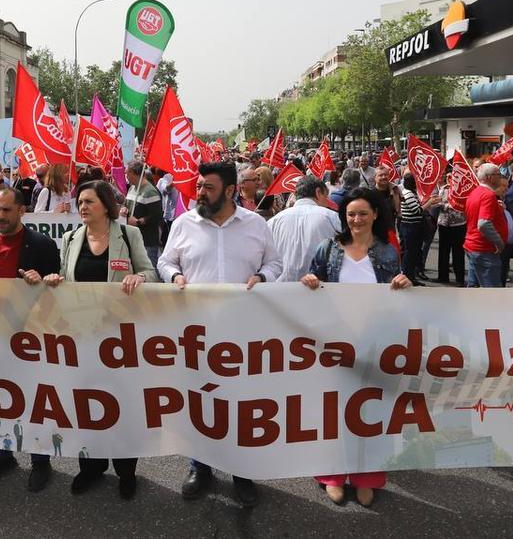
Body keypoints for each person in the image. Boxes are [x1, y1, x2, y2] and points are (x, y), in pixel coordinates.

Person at [157, 161, 281, 508]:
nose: (199, 193)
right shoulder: (184, 223)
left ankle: (243, 472)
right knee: (201, 402)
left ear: (230, 191)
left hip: (243, 333)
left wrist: (264, 278)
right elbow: (166, 262)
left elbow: (275, 263)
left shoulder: (256, 225)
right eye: (199, 186)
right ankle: (201, 467)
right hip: (196, 333)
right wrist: (174, 277)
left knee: (241, 404)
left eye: (208, 188)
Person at [43, 180, 158, 499]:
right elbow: (64, 278)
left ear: (106, 206)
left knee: (121, 404)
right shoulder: (69, 238)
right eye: (80, 201)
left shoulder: (128, 235)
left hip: (119, 339)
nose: (81, 206)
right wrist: (55, 279)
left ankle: (126, 471)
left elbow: (151, 273)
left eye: (88, 201)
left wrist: (139, 277)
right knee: (87, 405)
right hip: (82, 338)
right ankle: (91, 467)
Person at [301, 186, 410, 506]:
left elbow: (397, 295)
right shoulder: (327, 248)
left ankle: (367, 476)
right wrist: (309, 281)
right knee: (333, 410)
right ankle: (332, 475)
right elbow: (312, 283)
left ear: (376, 214)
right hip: (335, 343)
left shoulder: (389, 252)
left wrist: (405, 283)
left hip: (375, 343)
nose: (357, 220)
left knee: (371, 411)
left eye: (363, 213)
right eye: (351, 214)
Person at [0, 187, 61, 492]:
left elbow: (58, 290)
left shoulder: (41, 244)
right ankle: (2, 454)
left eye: (6, 210)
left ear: (21, 210)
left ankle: (40, 461)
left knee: (35, 401)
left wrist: (42, 282)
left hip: (30, 338)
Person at [267, 175, 340, 282]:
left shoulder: (274, 221)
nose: (327, 201)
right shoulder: (331, 217)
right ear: (318, 192)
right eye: (326, 196)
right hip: (320, 290)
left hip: (281, 290)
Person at [463, 164, 509, 288]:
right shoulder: (488, 195)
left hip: (475, 247)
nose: (501, 177)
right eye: (498, 175)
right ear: (490, 177)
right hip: (484, 250)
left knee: (474, 287)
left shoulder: (475, 192)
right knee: (491, 291)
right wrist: (499, 243)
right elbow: (483, 223)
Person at [397, 173, 435, 284]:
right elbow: (417, 210)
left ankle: (411, 277)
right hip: (410, 227)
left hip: (413, 226)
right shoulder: (408, 194)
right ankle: (407, 277)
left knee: (414, 253)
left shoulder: (411, 193)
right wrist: (429, 203)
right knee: (409, 253)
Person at [123, 162, 164, 263]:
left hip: (147, 241)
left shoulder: (150, 192)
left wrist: (138, 222)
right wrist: (124, 209)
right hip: (133, 238)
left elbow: (157, 216)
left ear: (133, 173)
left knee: (150, 270)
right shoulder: (132, 188)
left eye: (127, 173)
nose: (126, 176)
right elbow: (126, 203)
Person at [435, 176, 467, 286]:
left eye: (452, 177)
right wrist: (444, 205)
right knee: (443, 251)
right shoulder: (444, 189)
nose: (450, 179)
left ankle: (460, 279)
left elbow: (465, 204)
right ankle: (443, 276)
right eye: (448, 177)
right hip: (444, 223)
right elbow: (437, 202)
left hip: (458, 224)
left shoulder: (463, 190)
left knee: (458, 252)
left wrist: (454, 205)